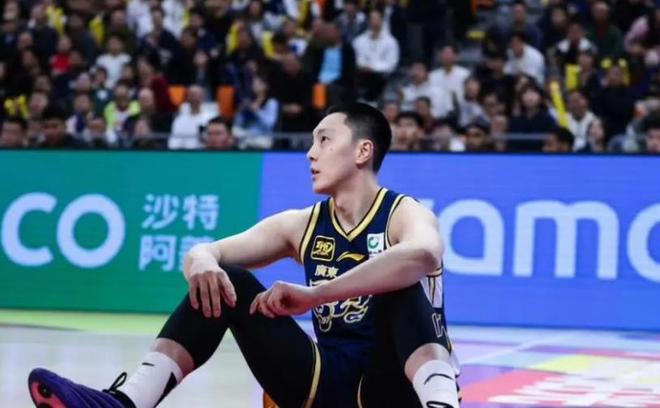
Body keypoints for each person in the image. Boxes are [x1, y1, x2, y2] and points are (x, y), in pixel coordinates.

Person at [28, 102, 460, 408]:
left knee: (400, 284)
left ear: (363, 151)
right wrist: (201, 261)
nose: (311, 153)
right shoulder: (302, 224)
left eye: (325, 140)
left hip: (396, 389)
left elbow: (421, 255)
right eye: (312, 142)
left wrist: (317, 294)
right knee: (227, 279)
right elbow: (209, 251)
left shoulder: (404, 213)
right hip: (326, 381)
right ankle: (126, 401)